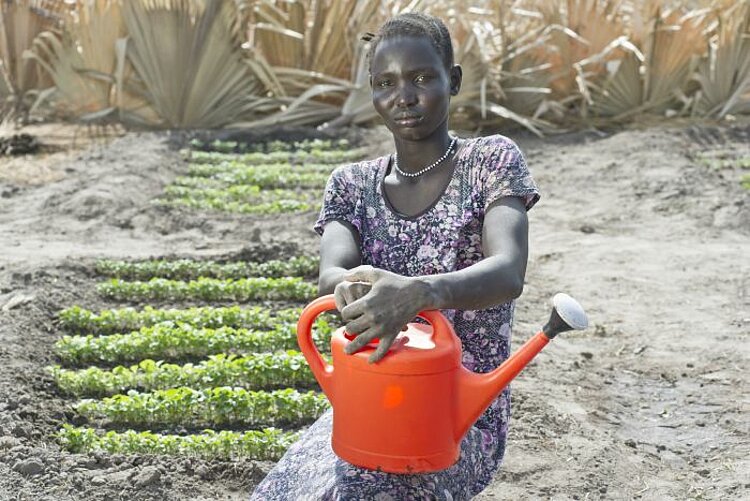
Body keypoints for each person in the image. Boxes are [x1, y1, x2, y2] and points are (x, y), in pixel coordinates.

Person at [250, 12, 539, 500]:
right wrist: (351, 288)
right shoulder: (351, 185)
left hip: (456, 413)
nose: (404, 96)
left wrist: (420, 293)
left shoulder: (490, 162)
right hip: (369, 398)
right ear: (373, 93)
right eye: (386, 83)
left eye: (422, 77)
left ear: (455, 80)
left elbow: (508, 271)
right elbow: (332, 274)